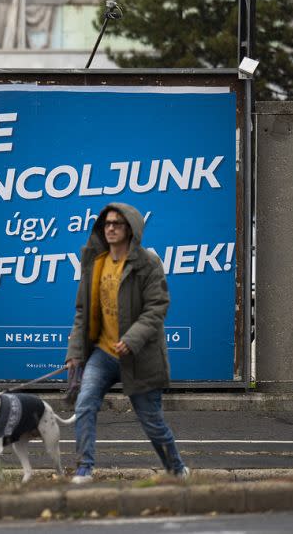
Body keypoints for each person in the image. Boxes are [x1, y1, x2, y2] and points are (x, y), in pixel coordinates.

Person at [64, 202, 189, 484]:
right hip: (103, 354)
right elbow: (83, 310)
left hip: (140, 356)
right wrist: (75, 352)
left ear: (130, 229)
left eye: (116, 224)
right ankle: (84, 468)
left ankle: (177, 470)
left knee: (152, 422)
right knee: (85, 404)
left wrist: (132, 339)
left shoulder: (148, 263)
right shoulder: (94, 263)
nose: (110, 228)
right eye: (106, 224)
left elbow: (157, 306)